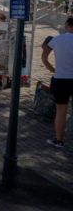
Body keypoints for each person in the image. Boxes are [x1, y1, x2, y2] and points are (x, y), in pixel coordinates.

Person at [41, 16, 73, 148]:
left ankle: (58, 140)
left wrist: (53, 69)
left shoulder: (56, 39)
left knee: (61, 112)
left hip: (60, 79)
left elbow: (44, 58)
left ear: (66, 25)